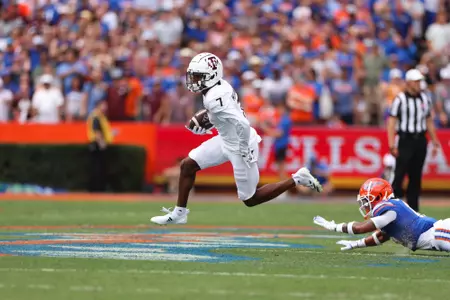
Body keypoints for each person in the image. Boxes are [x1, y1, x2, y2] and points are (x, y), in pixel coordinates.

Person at [150, 53, 322, 225]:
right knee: (188, 165)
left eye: (198, 77)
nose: (193, 80)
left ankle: (298, 179)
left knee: (251, 198)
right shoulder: (218, 86)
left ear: (211, 76)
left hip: (241, 144)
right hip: (225, 139)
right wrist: (210, 119)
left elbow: (242, 123)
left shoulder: (214, 97)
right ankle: (180, 213)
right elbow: (227, 115)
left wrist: (244, 148)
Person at [313, 178, 450, 253]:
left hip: (439, 233)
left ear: (379, 197)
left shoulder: (390, 209)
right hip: (437, 235)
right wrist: (356, 244)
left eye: (367, 201)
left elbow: (360, 228)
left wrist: (334, 226)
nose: (365, 205)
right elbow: (382, 236)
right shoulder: (390, 214)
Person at [387, 69, 440, 212]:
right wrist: (392, 144)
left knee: (415, 177)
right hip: (405, 140)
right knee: (399, 176)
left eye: (419, 81)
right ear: (409, 82)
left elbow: (428, 120)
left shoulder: (425, 98)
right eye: (416, 81)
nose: (419, 84)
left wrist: (435, 139)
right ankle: (394, 209)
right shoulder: (400, 99)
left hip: (420, 140)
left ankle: (413, 211)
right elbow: (391, 122)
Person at [86, 99, 113, 192]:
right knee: (97, 168)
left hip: (100, 144)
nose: (106, 107)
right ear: (98, 105)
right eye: (103, 105)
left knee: (100, 167)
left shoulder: (101, 116)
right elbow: (97, 131)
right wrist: (102, 143)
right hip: (97, 145)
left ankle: (99, 188)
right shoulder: (96, 116)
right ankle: (96, 189)